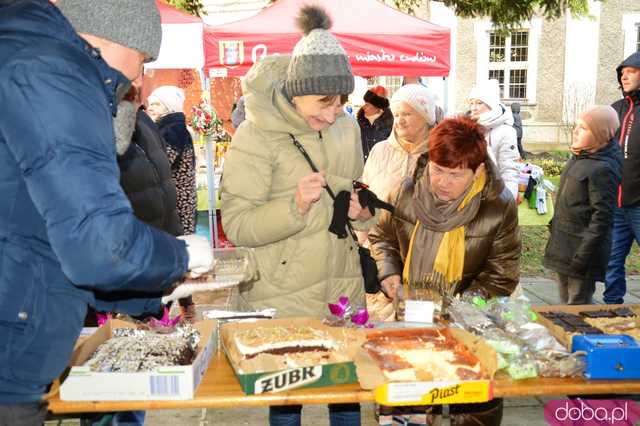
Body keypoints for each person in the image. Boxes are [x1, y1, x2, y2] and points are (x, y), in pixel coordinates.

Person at [0, 1, 211, 422]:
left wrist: (154, 288)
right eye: (144, 58)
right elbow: (100, 246)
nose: (141, 75)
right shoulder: (52, 71)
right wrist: (181, 256)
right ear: (111, 36)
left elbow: (46, 239)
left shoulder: (30, 60)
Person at [220, 5, 373, 425]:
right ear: (294, 90)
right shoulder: (257, 135)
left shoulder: (345, 126)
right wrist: (294, 206)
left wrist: (362, 212)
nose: (333, 111)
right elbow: (236, 224)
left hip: (342, 284)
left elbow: (353, 191)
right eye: (323, 101)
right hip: (281, 290)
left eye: (342, 100)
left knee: (347, 391)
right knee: (288, 398)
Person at [368, 116, 520, 425]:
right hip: (408, 320)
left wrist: (457, 309)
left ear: (477, 170)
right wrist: (389, 273)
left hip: (469, 324)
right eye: (437, 170)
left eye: (456, 175)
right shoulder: (405, 191)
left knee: (471, 404)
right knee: (405, 399)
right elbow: (382, 238)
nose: (443, 183)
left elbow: (501, 274)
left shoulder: (497, 205)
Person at [543, 106, 622, 305]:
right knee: (564, 303)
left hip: (582, 250)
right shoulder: (579, 158)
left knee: (578, 304)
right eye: (576, 126)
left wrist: (583, 256)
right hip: (564, 245)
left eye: (584, 128)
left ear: (601, 134)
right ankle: (568, 335)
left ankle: (583, 336)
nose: (575, 131)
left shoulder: (604, 167)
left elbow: (602, 218)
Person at [604, 51, 640, 305]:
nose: (624, 75)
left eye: (632, 71)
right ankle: (611, 308)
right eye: (622, 72)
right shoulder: (615, 109)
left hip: (639, 204)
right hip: (616, 205)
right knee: (611, 261)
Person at [147, 85, 198, 234]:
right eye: (150, 104)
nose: (150, 108)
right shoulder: (170, 128)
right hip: (180, 201)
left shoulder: (172, 130)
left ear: (169, 106)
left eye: (156, 104)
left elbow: (163, 163)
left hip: (178, 204)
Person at [469, 79, 521, 200]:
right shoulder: (467, 127)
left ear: (491, 105)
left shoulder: (506, 132)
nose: (473, 108)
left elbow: (509, 171)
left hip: (492, 195)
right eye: (471, 103)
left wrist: (507, 202)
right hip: (469, 195)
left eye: (479, 103)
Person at [357, 85, 393, 160]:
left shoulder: (389, 124)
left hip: (382, 166)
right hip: (363, 167)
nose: (363, 107)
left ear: (377, 108)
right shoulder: (359, 123)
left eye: (367, 105)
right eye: (365, 103)